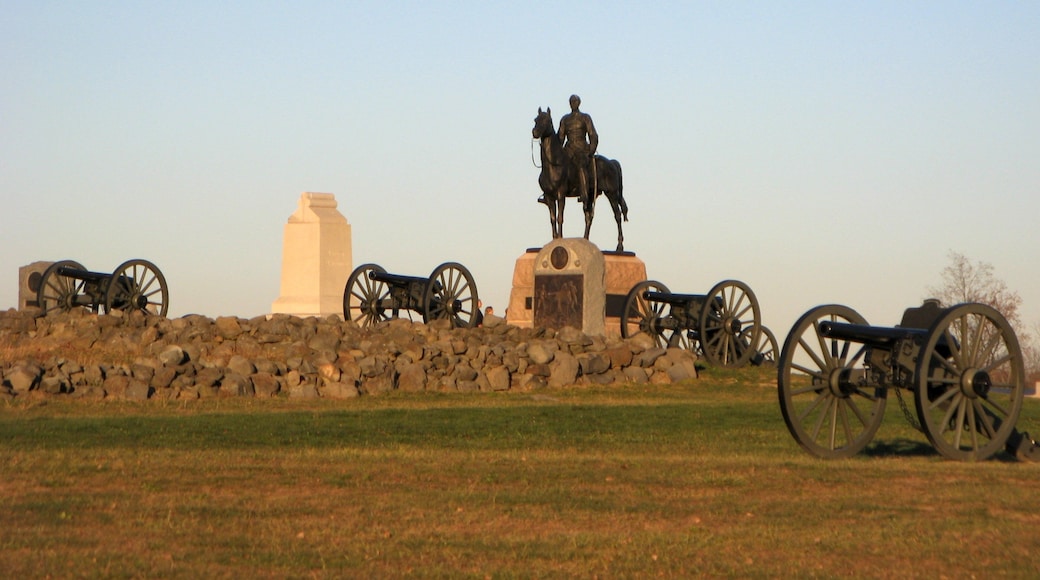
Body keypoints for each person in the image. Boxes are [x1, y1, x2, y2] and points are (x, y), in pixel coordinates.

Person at [557, 94, 598, 206]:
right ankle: (551, 191)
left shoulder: (585, 117)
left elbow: (593, 135)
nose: (573, 104)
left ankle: (584, 193)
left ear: (579, 103)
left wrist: (591, 150)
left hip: (581, 148)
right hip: (568, 149)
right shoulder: (565, 119)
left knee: (581, 165)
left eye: (575, 101)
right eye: (571, 102)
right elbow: (560, 137)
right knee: (557, 166)